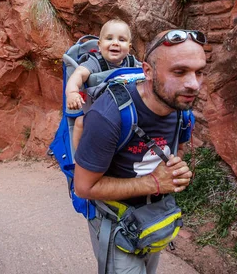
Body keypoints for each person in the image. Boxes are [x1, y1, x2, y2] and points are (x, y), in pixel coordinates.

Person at [74, 29, 207, 274]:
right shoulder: (108, 115)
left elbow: (175, 155)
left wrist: (177, 172)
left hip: (152, 219)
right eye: (179, 72)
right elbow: (83, 187)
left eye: (199, 72)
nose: (193, 84)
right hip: (114, 224)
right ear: (147, 71)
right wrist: (155, 183)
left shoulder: (180, 108)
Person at [65, 18, 141, 151]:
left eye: (121, 40)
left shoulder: (131, 62)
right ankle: (79, 160)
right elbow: (78, 74)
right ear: (99, 45)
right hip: (98, 113)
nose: (115, 43)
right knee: (80, 123)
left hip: (128, 112)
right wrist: (72, 92)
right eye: (109, 38)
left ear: (129, 48)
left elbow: (146, 73)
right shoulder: (95, 62)